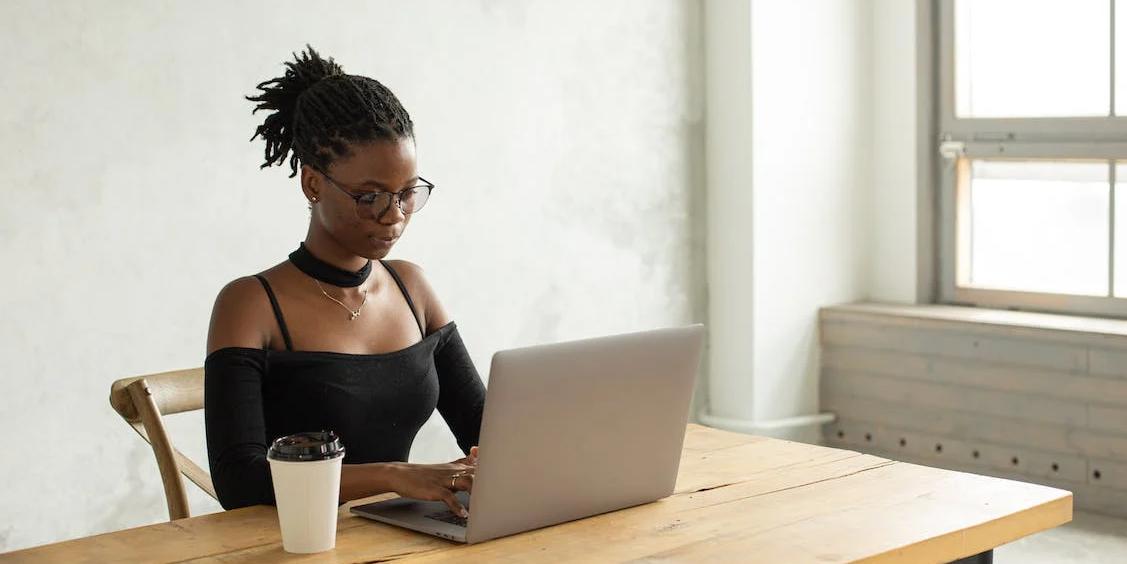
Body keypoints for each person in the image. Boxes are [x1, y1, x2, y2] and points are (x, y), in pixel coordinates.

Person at [204, 46, 485, 518]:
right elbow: (241, 482)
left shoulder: (412, 289)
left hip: (402, 537)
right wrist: (394, 476)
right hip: (294, 545)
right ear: (312, 184)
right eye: (369, 196)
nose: (393, 216)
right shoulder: (251, 304)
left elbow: (488, 431)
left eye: (407, 193)